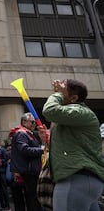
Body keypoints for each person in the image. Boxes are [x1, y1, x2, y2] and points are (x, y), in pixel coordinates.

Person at [42, 79, 104, 211]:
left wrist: (57, 94)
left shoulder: (81, 111)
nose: (58, 90)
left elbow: (50, 111)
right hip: (84, 180)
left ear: (74, 97)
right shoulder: (74, 117)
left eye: (63, 90)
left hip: (75, 178)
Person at [8, 112, 44, 211]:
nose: (34, 124)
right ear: (24, 122)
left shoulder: (27, 134)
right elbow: (24, 150)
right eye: (32, 122)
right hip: (27, 172)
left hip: (28, 171)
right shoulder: (21, 134)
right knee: (31, 200)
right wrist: (42, 150)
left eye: (35, 122)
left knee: (29, 200)